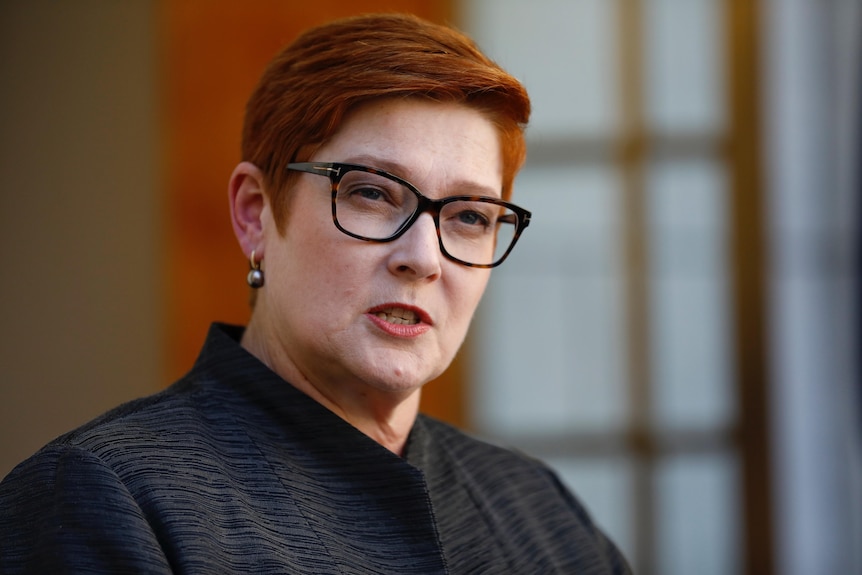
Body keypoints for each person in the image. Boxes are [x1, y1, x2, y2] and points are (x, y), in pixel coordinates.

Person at [0, 13, 630, 574]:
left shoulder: (538, 507)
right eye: (373, 193)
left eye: (468, 216)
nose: (423, 259)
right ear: (254, 214)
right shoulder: (104, 499)